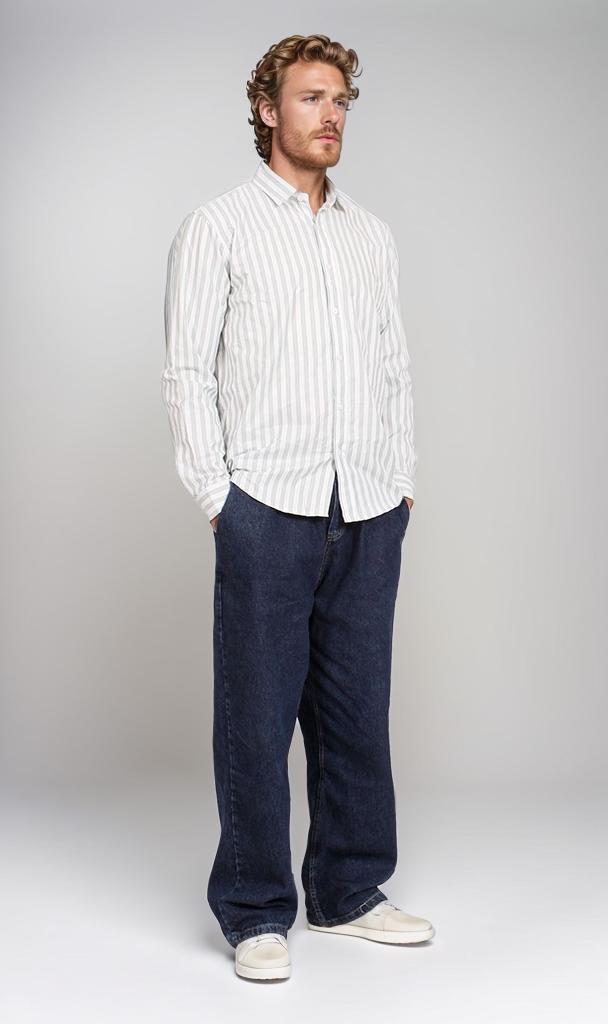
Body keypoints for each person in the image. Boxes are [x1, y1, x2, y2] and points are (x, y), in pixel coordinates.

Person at [162, 33, 434, 981]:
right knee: (256, 714)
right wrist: (218, 498)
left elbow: (393, 367)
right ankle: (254, 911)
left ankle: (349, 890)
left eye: (342, 100)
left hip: (367, 502)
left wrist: (401, 480)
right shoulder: (219, 226)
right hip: (266, 504)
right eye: (312, 97)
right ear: (268, 109)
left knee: (357, 708)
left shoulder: (371, 235)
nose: (332, 115)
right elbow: (188, 371)